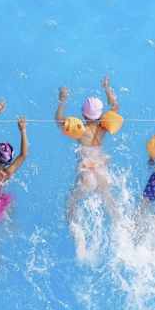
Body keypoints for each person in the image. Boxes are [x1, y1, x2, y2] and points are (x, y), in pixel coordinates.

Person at [55, 76, 120, 233]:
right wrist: (107, 88)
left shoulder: (80, 131)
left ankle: (79, 239)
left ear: (83, 115)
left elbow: (59, 121)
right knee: (111, 206)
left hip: (86, 172)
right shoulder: (104, 128)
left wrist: (62, 100)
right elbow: (115, 106)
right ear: (101, 115)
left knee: (71, 204)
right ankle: (123, 232)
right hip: (101, 169)